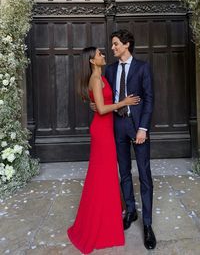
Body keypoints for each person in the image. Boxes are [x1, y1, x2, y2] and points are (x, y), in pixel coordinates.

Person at [67, 47, 140, 254]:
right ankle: (99, 223)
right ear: (92, 60)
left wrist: (104, 103)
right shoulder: (96, 79)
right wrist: (123, 103)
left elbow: (98, 103)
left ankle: (107, 217)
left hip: (107, 129)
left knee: (105, 175)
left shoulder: (101, 77)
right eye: (99, 54)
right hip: (102, 132)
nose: (103, 56)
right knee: (103, 176)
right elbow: (101, 109)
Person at [105, 29, 156, 250]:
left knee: (144, 174)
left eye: (116, 44)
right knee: (123, 172)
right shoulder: (109, 69)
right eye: (113, 44)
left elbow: (149, 99)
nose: (113, 48)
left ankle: (147, 225)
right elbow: (106, 97)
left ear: (126, 45)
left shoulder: (143, 67)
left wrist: (143, 128)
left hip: (138, 127)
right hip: (117, 126)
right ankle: (131, 211)